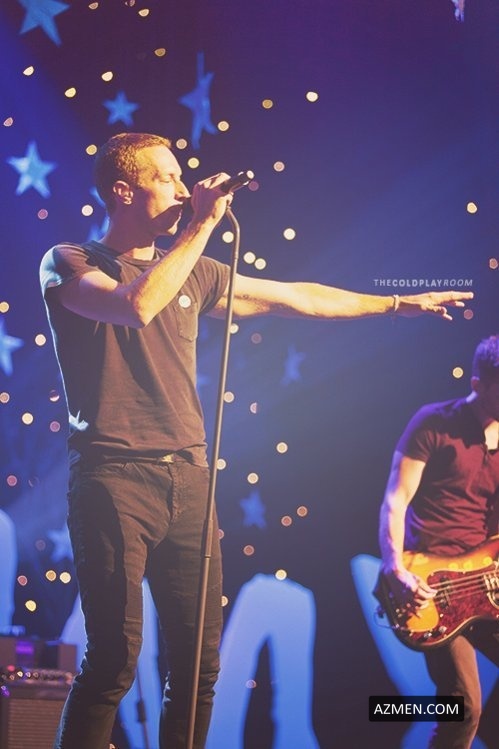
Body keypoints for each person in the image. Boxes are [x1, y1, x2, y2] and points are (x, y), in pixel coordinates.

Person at [40, 131, 473, 749]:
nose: (183, 188)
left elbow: (299, 297)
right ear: (123, 191)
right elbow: (137, 306)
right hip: (113, 478)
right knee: (113, 660)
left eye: (182, 176)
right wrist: (201, 225)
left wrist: (397, 304)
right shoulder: (69, 262)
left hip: (189, 479)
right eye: (167, 177)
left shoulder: (197, 270)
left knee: (198, 666)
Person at [378, 334, 499, 749]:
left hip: (487, 582)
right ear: (478, 383)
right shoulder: (434, 423)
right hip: (433, 585)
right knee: (463, 706)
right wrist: (395, 568)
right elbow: (395, 501)